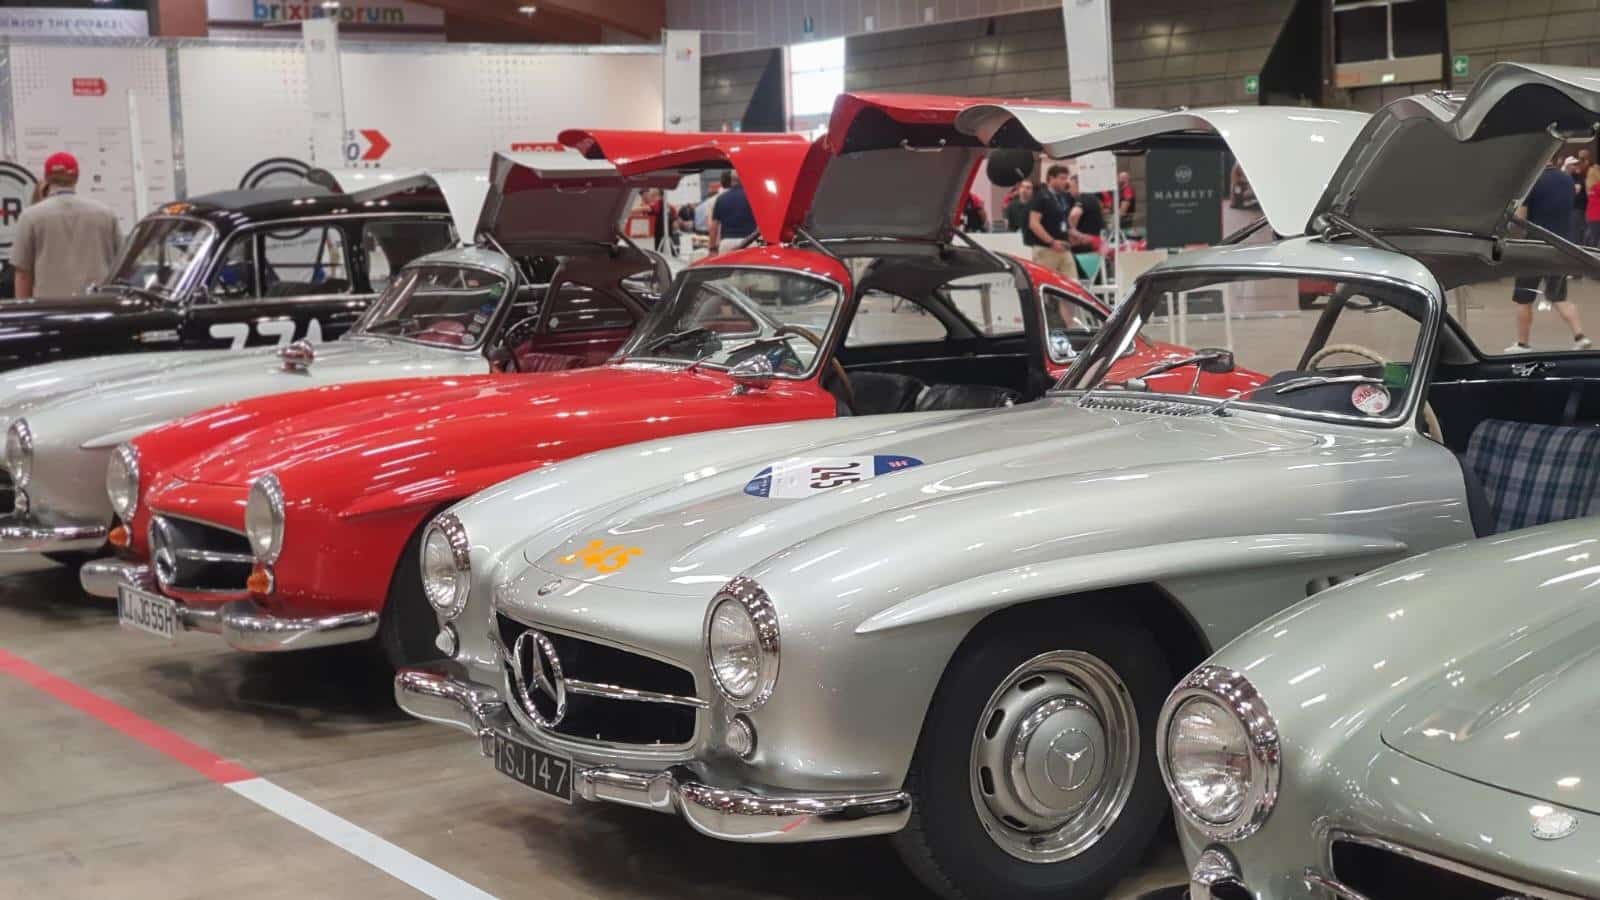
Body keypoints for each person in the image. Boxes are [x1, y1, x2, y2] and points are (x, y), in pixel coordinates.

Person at [11, 152, 121, 299]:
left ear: (47, 178)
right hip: (96, 306)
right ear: (77, 177)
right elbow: (122, 265)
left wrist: (24, 309)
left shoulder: (30, 217)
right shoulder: (106, 214)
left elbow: (23, 275)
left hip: (50, 308)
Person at [1508, 157, 1590, 352]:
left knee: (1524, 296)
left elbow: (1520, 218)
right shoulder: (1567, 179)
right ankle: (1580, 337)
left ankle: (1522, 344)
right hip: (1561, 245)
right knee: (1558, 296)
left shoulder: (1531, 181)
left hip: (1534, 247)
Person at [1024, 165, 1078, 277]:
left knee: (1072, 281)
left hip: (1063, 247)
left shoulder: (1063, 197)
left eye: (1066, 178)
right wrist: (1051, 242)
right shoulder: (1041, 197)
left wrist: (1073, 234)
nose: (1065, 182)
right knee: (1046, 281)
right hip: (1046, 249)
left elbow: (1063, 219)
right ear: (1051, 178)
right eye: (1062, 178)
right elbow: (1034, 223)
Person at [708, 171, 756, 254]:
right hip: (749, 241)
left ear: (731, 180)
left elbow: (714, 227)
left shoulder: (721, 199)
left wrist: (712, 248)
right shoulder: (753, 197)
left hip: (727, 243)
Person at [1568, 156, 1587, 242]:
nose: (1576, 166)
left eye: (1577, 164)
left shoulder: (1579, 177)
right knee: (1574, 232)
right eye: (1574, 165)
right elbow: (1576, 191)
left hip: (1579, 208)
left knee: (1579, 231)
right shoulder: (1567, 177)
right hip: (1574, 208)